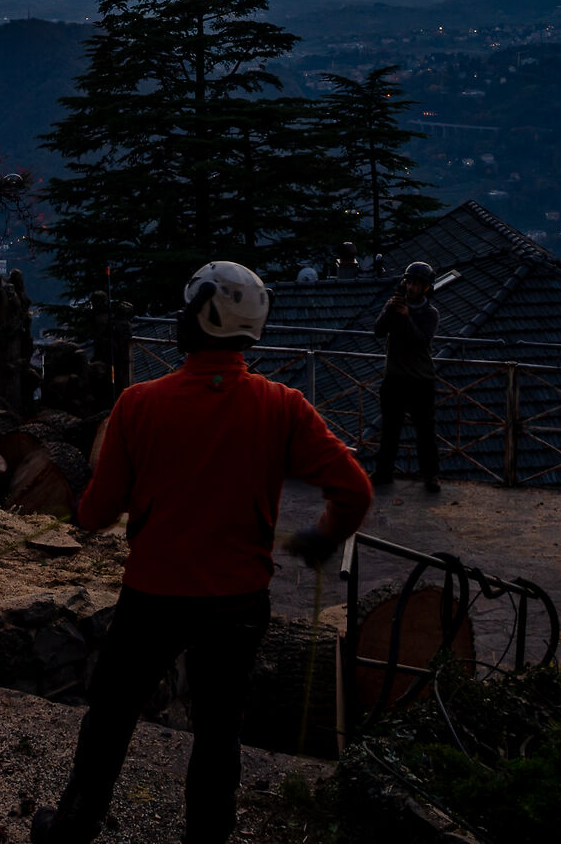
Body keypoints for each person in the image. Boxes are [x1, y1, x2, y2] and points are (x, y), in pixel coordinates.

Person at [35, 262, 371, 844]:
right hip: (238, 599)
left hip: (154, 593)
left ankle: (75, 823)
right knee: (220, 732)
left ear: (194, 321)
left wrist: (78, 514)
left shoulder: (139, 405)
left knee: (112, 714)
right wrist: (321, 536)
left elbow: (97, 513)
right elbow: (355, 489)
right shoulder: (282, 406)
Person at [371, 259, 442, 491]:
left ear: (426, 288)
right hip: (394, 378)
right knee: (390, 429)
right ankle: (383, 472)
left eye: (416, 284)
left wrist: (406, 317)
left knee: (425, 432)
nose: (411, 287)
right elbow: (378, 331)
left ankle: (430, 476)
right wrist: (391, 310)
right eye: (409, 282)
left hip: (421, 380)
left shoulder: (430, 314)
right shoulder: (395, 305)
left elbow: (421, 341)